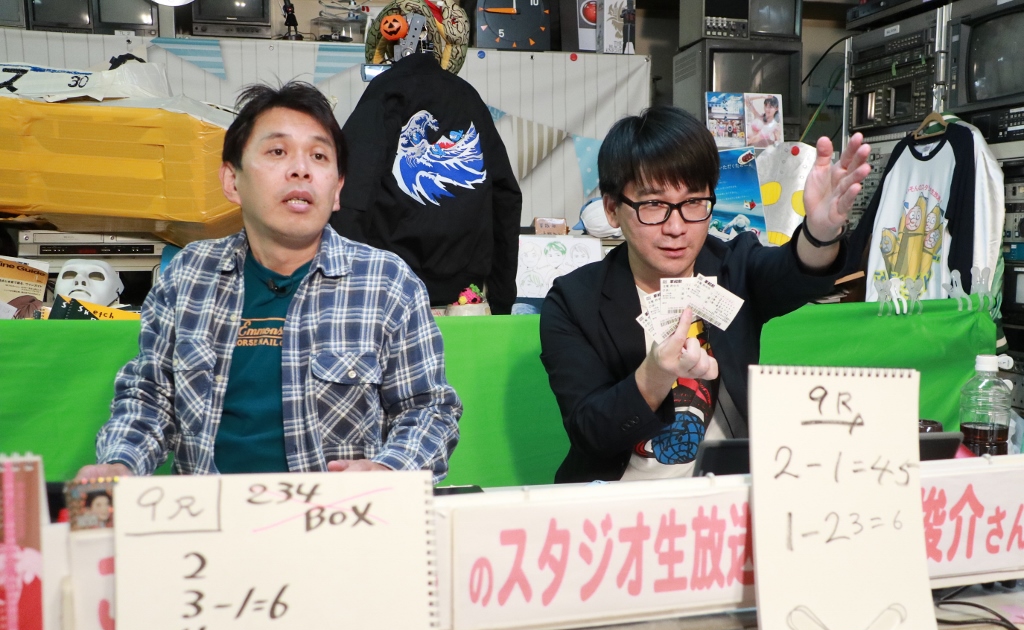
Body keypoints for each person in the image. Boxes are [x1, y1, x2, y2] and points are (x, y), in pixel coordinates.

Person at [77, 81, 462, 482]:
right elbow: (150, 399)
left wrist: (387, 469)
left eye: (319, 155)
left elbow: (429, 409)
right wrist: (120, 463)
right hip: (206, 512)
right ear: (232, 181)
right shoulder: (187, 276)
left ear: (337, 190)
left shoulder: (387, 283)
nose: (301, 169)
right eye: (278, 151)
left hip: (332, 514)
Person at [539, 106, 870, 483]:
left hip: (727, 493)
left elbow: (795, 273)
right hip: (621, 502)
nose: (676, 227)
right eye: (654, 205)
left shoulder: (733, 267)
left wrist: (820, 233)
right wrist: (654, 374)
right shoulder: (573, 301)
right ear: (613, 209)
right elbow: (591, 433)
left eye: (694, 202)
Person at [331, 26, 522, 314]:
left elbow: (350, 195)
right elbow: (506, 195)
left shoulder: (384, 94)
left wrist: (346, 288)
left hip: (390, 294)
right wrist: (503, 295)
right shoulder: (467, 96)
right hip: (464, 298)